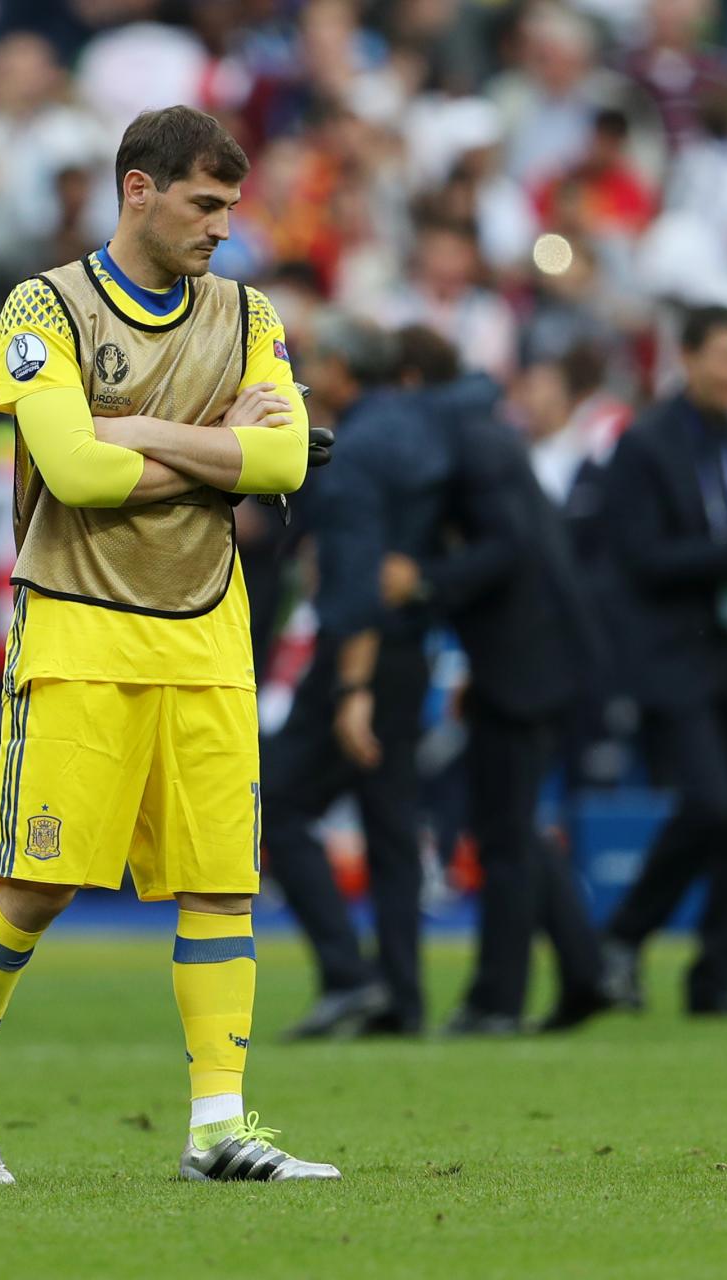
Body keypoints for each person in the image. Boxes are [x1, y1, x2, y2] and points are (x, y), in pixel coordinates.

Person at [0, 106, 335, 1187]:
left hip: (205, 631)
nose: (221, 229)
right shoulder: (42, 304)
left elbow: (285, 464)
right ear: (136, 189)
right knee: (35, 882)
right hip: (79, 625)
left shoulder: (245, 313)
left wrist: (138, 431)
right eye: (203, 204)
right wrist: (222, 450)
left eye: (230, 207)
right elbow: (75, 473)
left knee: (220, 884)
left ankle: (217, 1126)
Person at [332, 353, 613, 1036]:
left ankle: (498, 1000)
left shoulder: (469, 448)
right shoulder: (482, 438)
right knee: (510, 827)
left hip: (526, 660)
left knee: (507, 840)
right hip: (530, 657)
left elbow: (507, 548)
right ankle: (584, 972)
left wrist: (424, 580)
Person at [598, 306, 727, 1018]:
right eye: (725, 356)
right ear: (686, 358)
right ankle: (623, 936)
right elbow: (643, 560)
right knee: (710, 803)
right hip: (674, 654)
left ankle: (717, 980)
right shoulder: (645, 444)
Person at [262, 312, 428, 1040]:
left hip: (357, 653)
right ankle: (401, 993)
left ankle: (347, 975)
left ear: (342, 370)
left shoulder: (355, 449)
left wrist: (352, 688)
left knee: (280, 806)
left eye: (318, 361)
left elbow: (357, 578)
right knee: (391, 825)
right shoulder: (418, 432)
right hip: (411, 648)